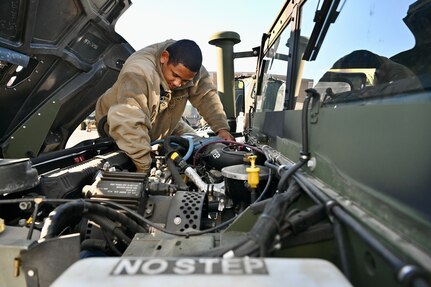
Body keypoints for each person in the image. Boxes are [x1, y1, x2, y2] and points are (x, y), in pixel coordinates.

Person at [95, 39, 235, 173]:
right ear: (164, 57)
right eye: (175, 75)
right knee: (137, 152)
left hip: (164, 120)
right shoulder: (139, 71)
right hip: (121, 123)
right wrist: (145, 168)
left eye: (185, 81)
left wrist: (221, 129)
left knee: (198, 148)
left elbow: (206, 96)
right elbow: (129, 122)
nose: (178, 83)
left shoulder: (190, 70)